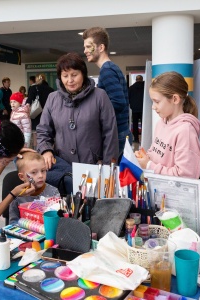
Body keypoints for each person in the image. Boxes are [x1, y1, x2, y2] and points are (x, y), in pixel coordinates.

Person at [37, 52, 118, 193]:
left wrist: (107, 166)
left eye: (74, 75)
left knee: (92, 206)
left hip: (94, 166)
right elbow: (43, 130)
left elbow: (110, 133)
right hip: (63, 168)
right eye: (65, 76)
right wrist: (46, 150)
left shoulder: (100, 96)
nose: (70, 80)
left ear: (83, 74)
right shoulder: (52, 98)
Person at [135, 71, 200, 178]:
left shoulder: (186, 131)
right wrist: (145, 157)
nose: (153, 107)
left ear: (175, 99)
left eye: (157, 102)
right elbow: (155, 152)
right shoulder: (160, 124)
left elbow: (185, 176)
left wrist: (148, 165)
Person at [83, 27, 131, 160]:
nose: (85, 51)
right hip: (121, 132)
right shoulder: (111, 68)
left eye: (88, 47)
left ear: (101, 47)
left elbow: (118, 102)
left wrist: (94, 114)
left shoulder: (107, 70)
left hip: (118, 133)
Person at [9, 152, 59, 224]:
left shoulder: (53, 192)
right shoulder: (17, 196)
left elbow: (58, 219)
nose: (40, 176)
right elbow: (13, 223)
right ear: (22, 176)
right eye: (34, 172)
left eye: (43, 171)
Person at [129, 75, 145, 143]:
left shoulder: (131, 88)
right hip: (143, 109)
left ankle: (136, 138)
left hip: (134, 109)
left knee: (135, 124)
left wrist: (132, 105)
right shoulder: (145, 87)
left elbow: (128, 98)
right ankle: (144, 138)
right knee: (143, 124)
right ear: (142, 79)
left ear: (136, 80)